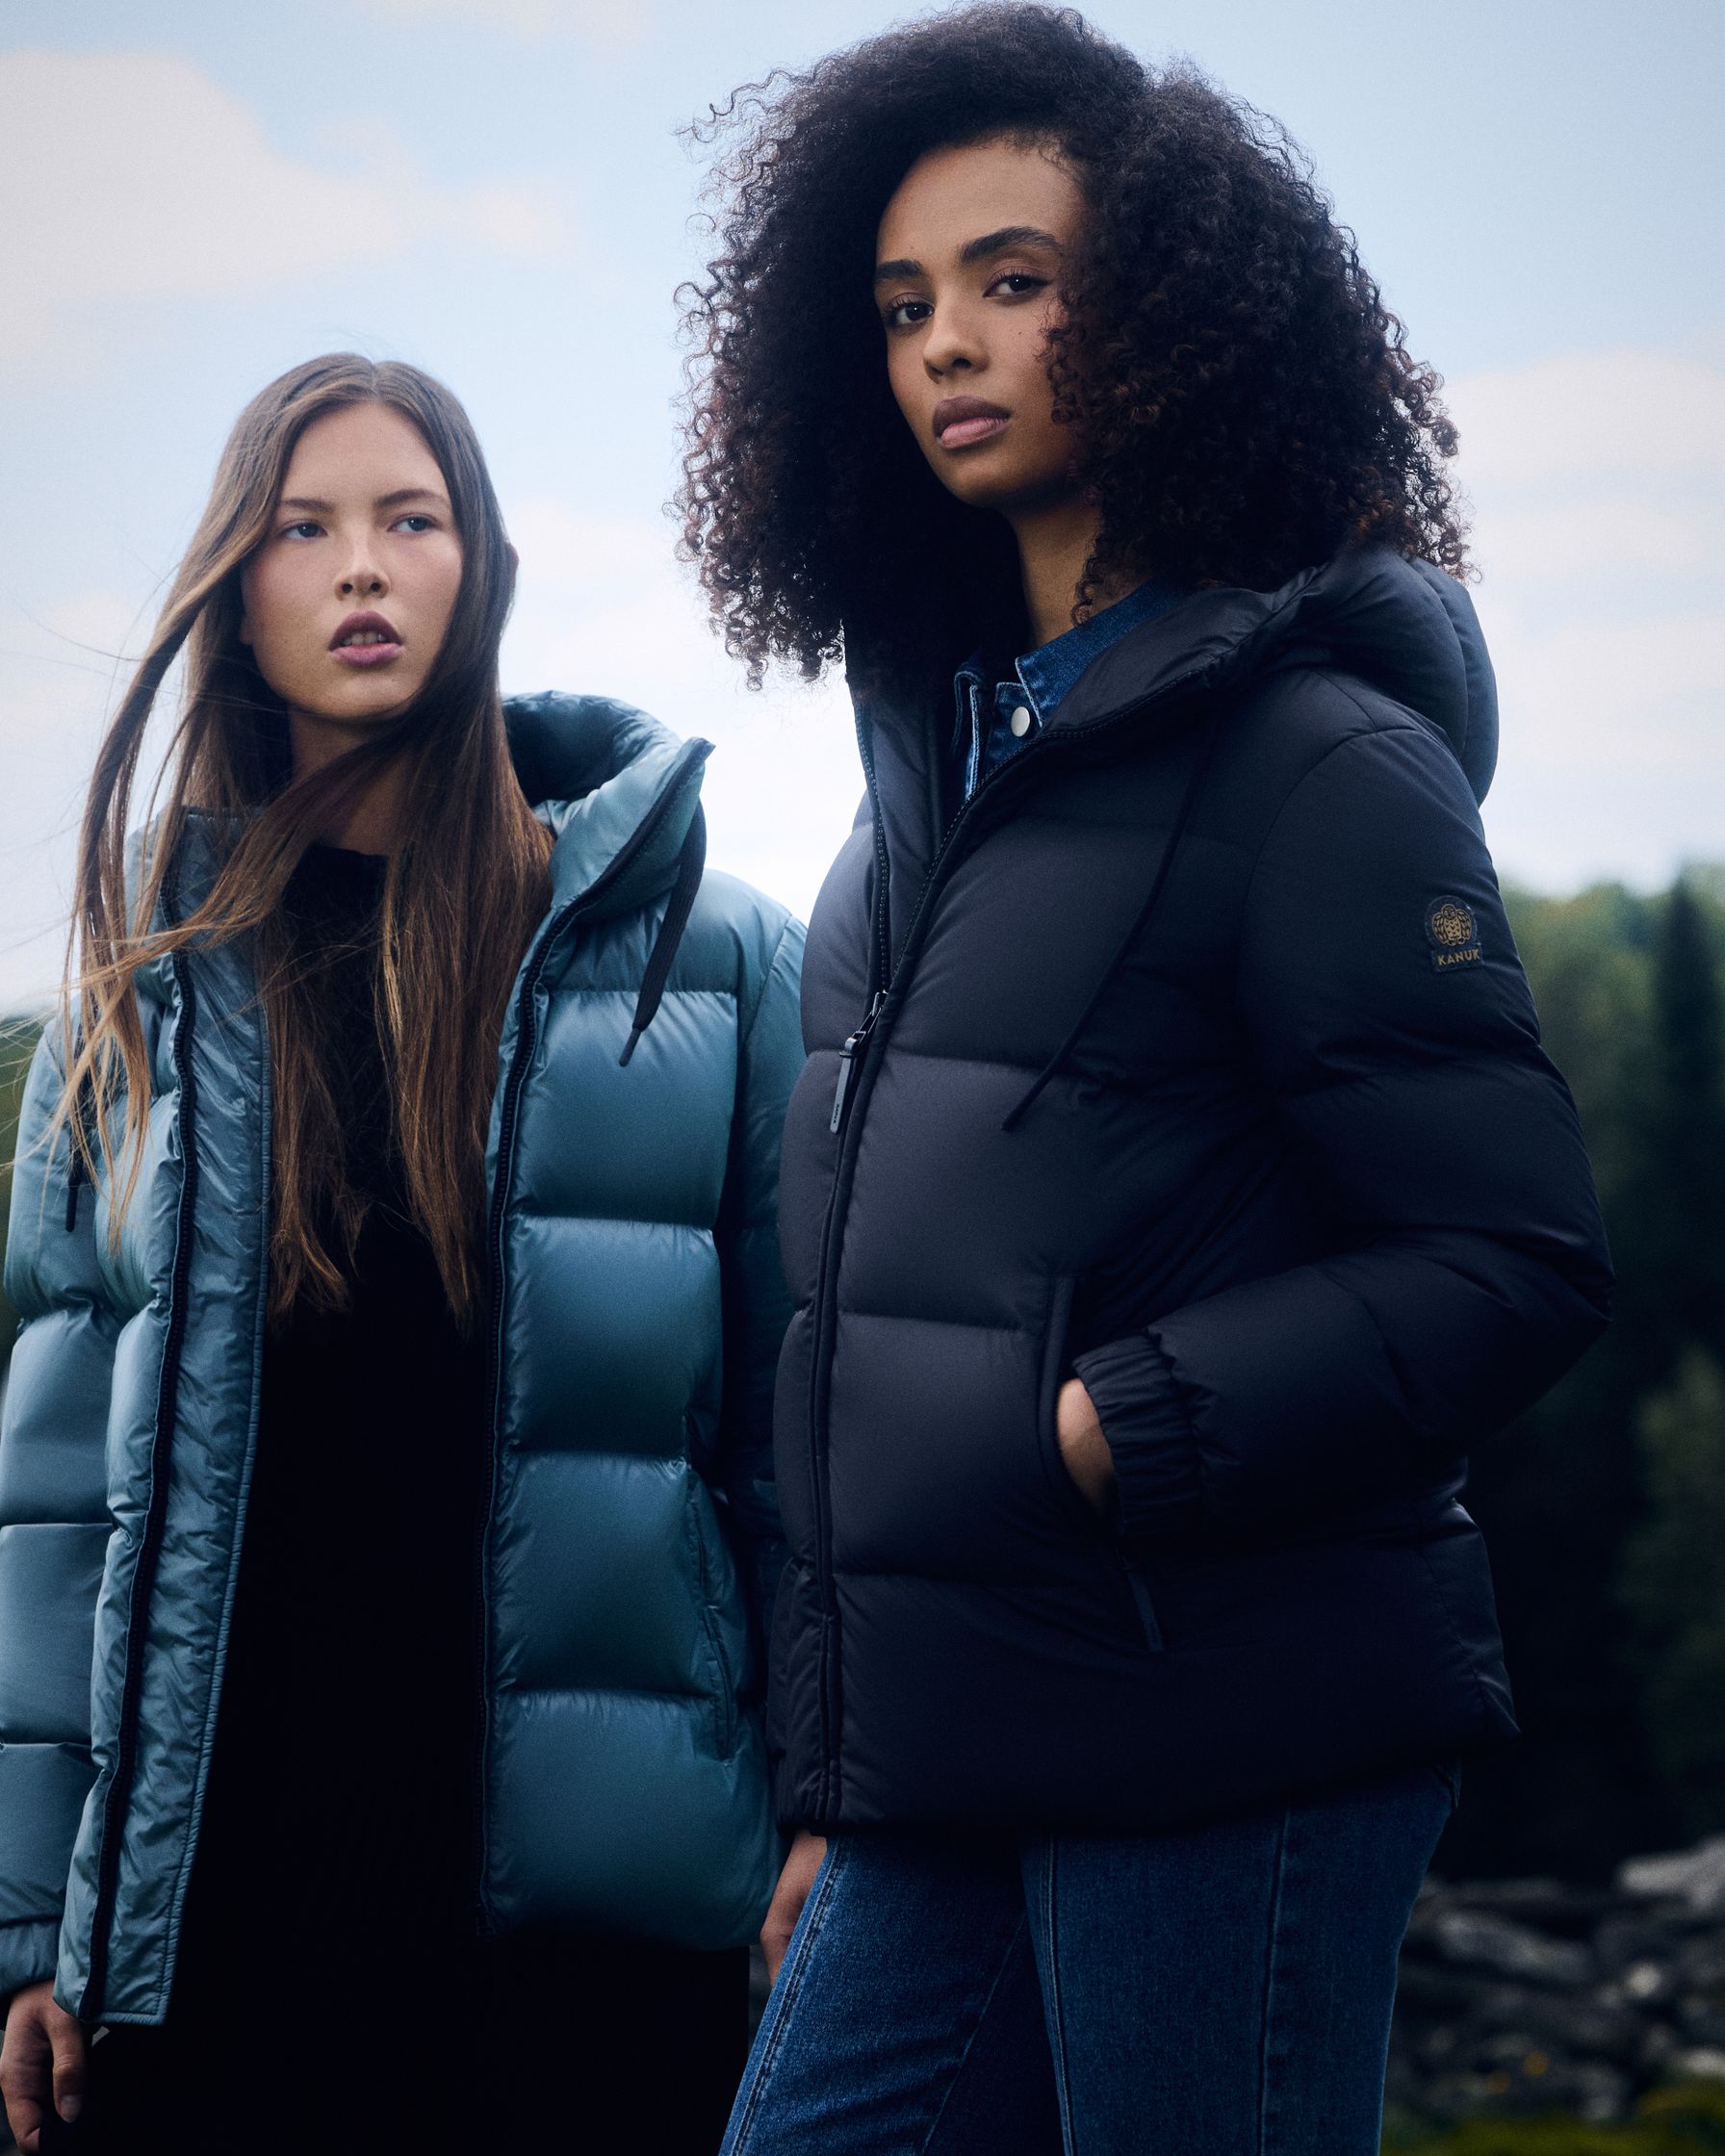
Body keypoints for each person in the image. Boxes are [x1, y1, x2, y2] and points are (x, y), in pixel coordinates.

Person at [678, 11, 1614, 2152]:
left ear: (1184, 308)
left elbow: (1509, 1254)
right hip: (950, 1757)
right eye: (903, 303)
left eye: (1015, 281)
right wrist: (838, 1771)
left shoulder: (1319, 762)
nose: (945, 344)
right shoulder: (906, 809)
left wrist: (1132, 1422)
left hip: (1229, 1727)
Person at [0, 353, 804, 2155]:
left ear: (480, 568)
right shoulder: (129, 1011)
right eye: (306, 527)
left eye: (410, 519)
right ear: (238, 587)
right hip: (208, 1941)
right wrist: (25, 1933)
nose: (362, 566)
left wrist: (824, 1800)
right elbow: (52, 1516)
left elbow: (792, 1428)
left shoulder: (711, 963)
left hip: (586, 1950)